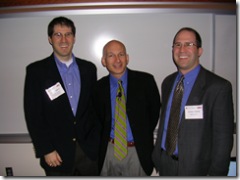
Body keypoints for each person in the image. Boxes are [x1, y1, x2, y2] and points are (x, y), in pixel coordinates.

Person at [152, 27, 234, 176]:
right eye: (177, 45)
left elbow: (223, 140)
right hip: (165, 164)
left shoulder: (218, 87)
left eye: (189, 44)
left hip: (196, 170)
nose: (182, 49)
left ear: (200, 51)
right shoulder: (168, 82)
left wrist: (217, 175)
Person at [24, 16, 100, 176]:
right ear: (50, 39)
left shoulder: (89, 69)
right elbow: (33, 115)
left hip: (88, 153)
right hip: (56, 154)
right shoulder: (36, 71)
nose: (64, 39)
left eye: (68, 34)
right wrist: (46, 149)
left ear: (74, 38)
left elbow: (95, 109)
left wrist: (96, 143)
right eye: (58, 34)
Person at [92, 40, 161, 176]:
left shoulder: (146, 81)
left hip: (137, 152)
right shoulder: (98, 88)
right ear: (104, 61)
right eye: (111, 55)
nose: (117, 59)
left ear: (127, 58)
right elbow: (98, 119)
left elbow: (154, 114)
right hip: (109, 151)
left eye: (121, 54)